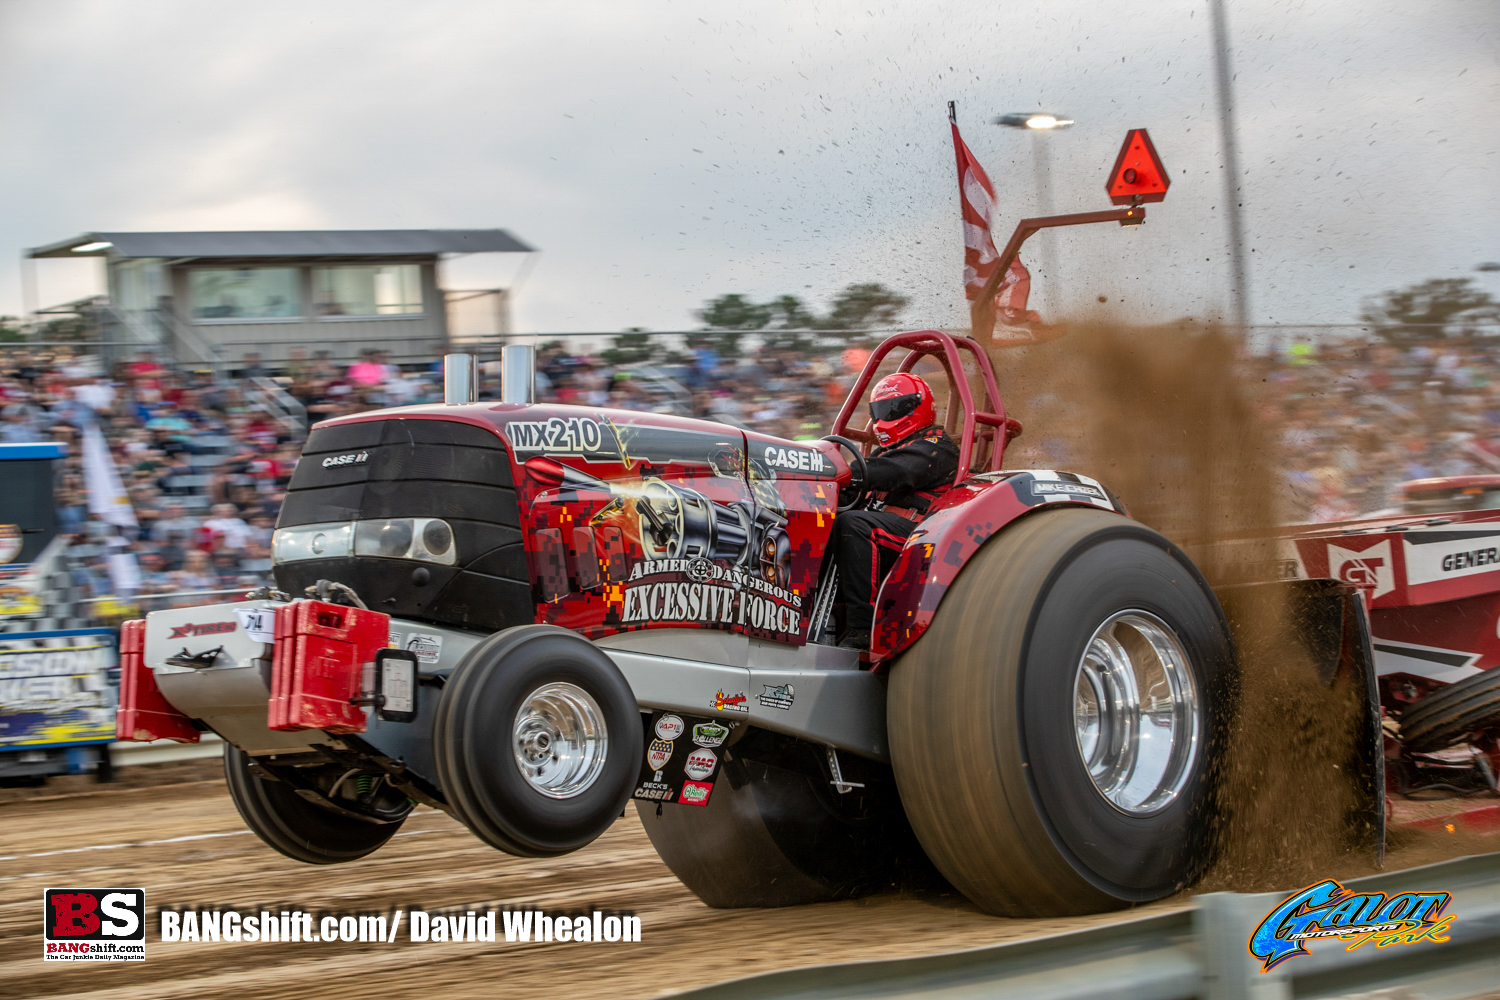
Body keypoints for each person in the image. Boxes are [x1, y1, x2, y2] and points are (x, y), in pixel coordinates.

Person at [830, 372, 959, 651]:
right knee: (828, 523)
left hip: (926, 539)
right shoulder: (883, 456)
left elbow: (900, 472)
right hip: (891, 532)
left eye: (893, 408)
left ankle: (863, 630)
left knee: (854, 525)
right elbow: (855, 487)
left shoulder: (938, 447)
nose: (885, 417)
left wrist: (839, 471)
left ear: (916, 407)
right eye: (880, 411)